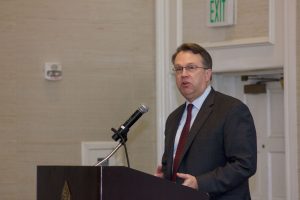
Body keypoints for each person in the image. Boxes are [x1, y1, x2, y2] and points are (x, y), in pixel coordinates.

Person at [155, 43, 257, 200]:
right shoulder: (173, 118)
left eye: (191, 67)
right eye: (178, 69)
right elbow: (171, 164)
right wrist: (164, 179)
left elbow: (244, 165)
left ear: (208, 74)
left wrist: (199, 183)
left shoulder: (231, 110)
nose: (184, 74)